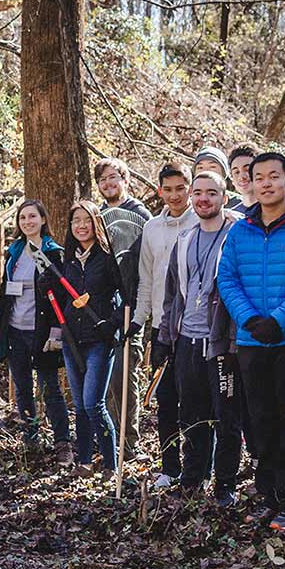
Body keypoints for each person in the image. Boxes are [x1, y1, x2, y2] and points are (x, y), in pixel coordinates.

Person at [217, 152, 285, 529]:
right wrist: (248, 319)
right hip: (251, 342)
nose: (265, 183)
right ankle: (268, 496)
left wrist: (279, 320)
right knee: (259, 421)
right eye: (257, 176)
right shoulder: (239, 229)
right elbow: (226, 279)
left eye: (273, 176)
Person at [157, 172, 241, 501]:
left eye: (212, 193)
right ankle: (192, 480)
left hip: (221, 342)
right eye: (198, 193)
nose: (204, 199)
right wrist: (165, 338)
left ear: (224, 196)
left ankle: (224, 485)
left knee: (226, 416)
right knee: (191, 415)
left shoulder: (235, 235)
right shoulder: (185, 240)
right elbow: (172, 297)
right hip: (187, 340)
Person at [0, 199, 72, 457]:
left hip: (41, 332)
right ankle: (31, 438)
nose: (28, 222)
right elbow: (5, 292)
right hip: (15, 330)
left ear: (43, 220)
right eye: (23, 218)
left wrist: (56, 331)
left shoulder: (52, 252)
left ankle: (62, 443)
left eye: (32, 217)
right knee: (23, 388)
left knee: (50, 388)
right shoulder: (14, 252)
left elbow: (60, 296)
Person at [46, 201, 123, 473]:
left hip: (99, 340)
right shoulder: (67, 259)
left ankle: (111, 466)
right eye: (75, 220)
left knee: (93, 404)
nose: (81, 225)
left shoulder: (107, 258)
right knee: (79, 405)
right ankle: (85, 462)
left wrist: (112, 324)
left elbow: (127, 299)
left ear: (96, 223)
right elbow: (60, 297)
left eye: (86, 220)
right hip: (71, 339)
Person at [137, 163, 198, 488]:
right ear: (160, 191)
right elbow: (146, 280)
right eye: (168, 189)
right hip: (161, 327)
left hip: (194, 327)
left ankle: (197, 467)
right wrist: (140, 320)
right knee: (166, 401)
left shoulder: (201, 222)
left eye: (180, 188)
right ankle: (169, 466)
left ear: (189, 187)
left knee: (195, 401)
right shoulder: (151, 228)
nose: (175, 195)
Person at [96, 157, 151, 456]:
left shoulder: (140, 214)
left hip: (133, 305)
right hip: (105, 306)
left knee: (125, 373)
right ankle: (109, 435)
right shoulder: (99, 215)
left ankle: (129, 440)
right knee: (105, 374)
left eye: (113, 177)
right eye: (102, 180)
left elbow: (146, 260)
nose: (108, 184)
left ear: (125, 180)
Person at [195, 146, 247, 211]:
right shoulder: (189, 203)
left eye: (212, 167)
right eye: (200, 167)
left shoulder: (240, 204)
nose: (206, 171)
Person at [226, 144, 260, 211]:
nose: (242, 177)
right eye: (236, 172)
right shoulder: (232, 217)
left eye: (247, 170)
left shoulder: (276, 211)